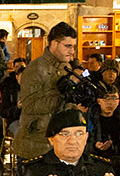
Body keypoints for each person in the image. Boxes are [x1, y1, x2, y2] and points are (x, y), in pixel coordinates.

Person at [14, 21, 77, 161]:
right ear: (54, 44)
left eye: (73, 47)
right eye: (67, 46)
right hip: (35, 145)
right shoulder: (35, 68)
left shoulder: (66, 66)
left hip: (59, 144)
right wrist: (62, 97)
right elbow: (30, 105)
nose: (72, 51)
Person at [86, 83, 120, 169]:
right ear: (99, 101)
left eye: (114, 98)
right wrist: (95, 146)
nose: (110, 102)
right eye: (106, 98)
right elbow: (84, 145)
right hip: (97, 160)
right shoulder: (90, 118)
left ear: (118, 101)